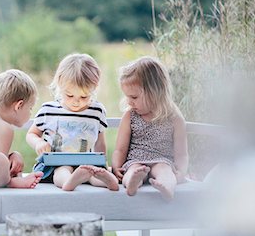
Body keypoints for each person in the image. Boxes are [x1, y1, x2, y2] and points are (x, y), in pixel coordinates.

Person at [26, 53, 119, 191]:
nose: (76, 101)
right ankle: (70, 181)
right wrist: (38, 143)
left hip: (86, 162)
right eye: (69, 95)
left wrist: (102, 163)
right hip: (56, 162)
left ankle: (107, 181)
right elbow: (31, 134)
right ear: (59, 84)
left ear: (94, 88)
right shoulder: (49, 109)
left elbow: (100, 141)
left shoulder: (96, 111)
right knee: (62, 171)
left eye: (84, 96)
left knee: (94, 173)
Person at [112, 56, 188, 200]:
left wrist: (181, 172)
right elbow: (120, 149)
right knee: (133, 170)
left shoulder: (174, 117)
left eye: (134, 97)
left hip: (162, 160)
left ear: (154, 93)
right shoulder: (130, 116)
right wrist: (117, 167)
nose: (129, 102)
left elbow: (181, 153)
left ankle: (166, 187)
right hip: (135, 160)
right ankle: (133, 183)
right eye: (127, 97)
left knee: (164, 170)